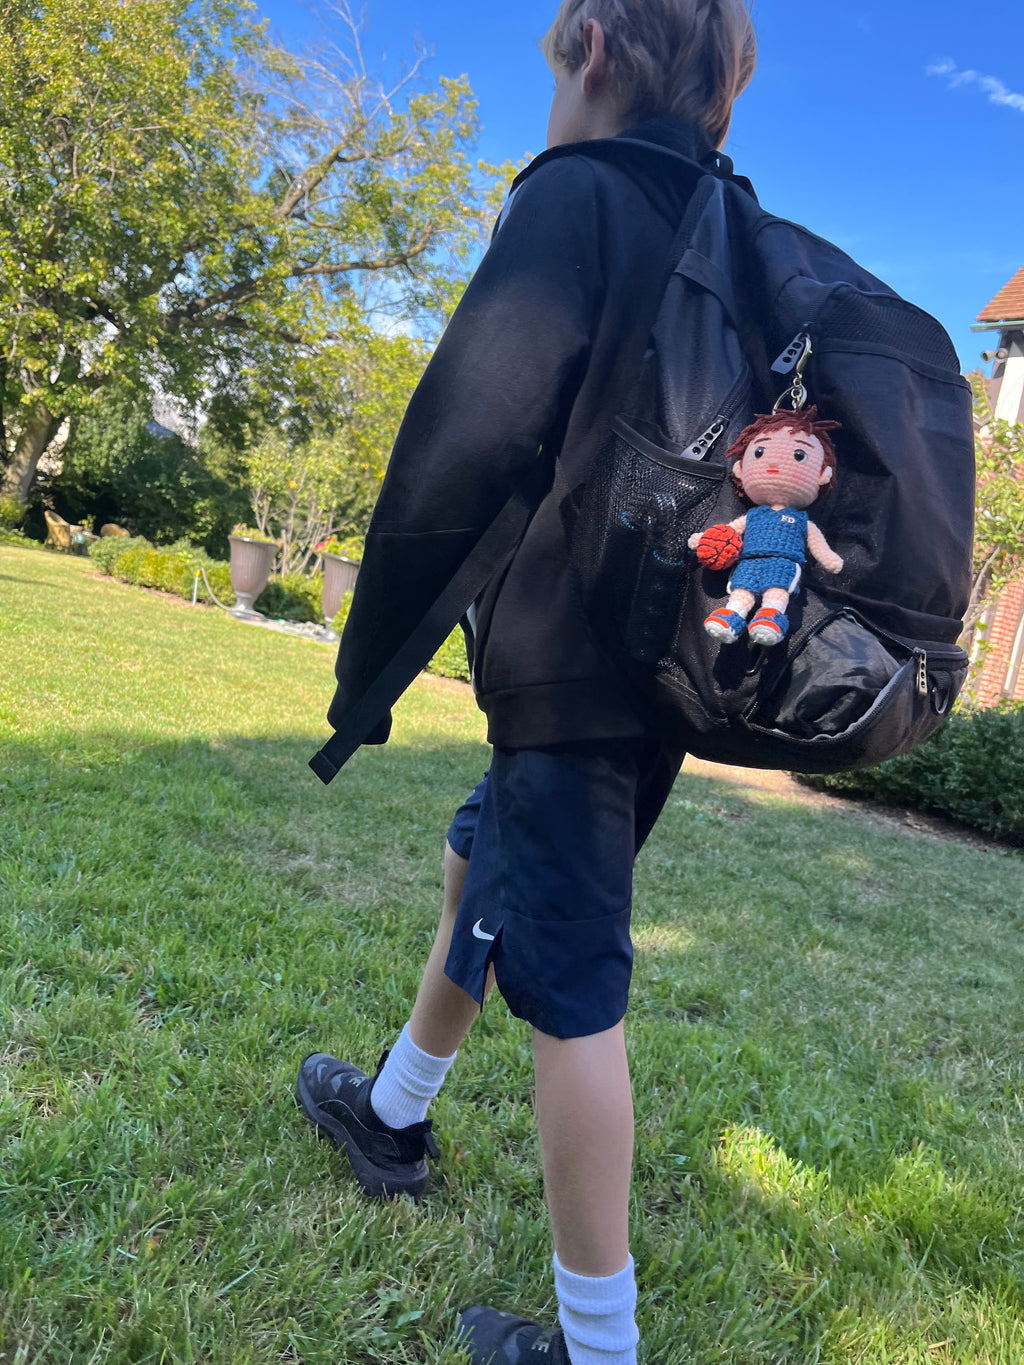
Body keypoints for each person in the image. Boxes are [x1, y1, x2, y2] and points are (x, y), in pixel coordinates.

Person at [297, 3, 757, 1362]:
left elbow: (466, 431)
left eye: (552, 63)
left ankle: (598, 1347)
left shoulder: (584, 196)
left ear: (595, 51)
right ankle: (393, 1106)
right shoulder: (724, 224)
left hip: (569, 667)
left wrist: (368, 653)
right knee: (480, 867)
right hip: (662, 666)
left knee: (572, 987)